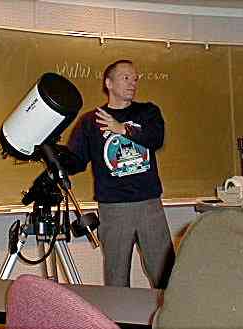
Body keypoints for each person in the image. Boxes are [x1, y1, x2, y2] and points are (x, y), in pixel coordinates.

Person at [66, 59, 175, 289]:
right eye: (126, 77)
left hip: (149, 205)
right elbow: (75, 162)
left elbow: (156, 139)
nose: (132, 83)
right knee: (116, 281)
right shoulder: (90, 121)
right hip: (113, 209)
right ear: (109, 83)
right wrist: (52, 154)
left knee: (166, 277)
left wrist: (122, 129)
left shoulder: (147, 112)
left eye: (135, 78)